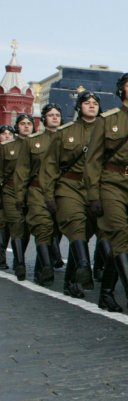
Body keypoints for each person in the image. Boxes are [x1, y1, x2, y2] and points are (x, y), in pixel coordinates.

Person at [84, 73, 128, 313]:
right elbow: (92, 160)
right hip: (111, 183)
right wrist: (93, 194)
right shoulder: (106, 119)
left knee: (122, 239)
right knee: (120, 233)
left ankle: (107, 294)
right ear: (121, 91)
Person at [40, 93, 102, 296]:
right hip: (69, 185)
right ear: (78, 107)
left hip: (96, 188)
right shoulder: (65, 132)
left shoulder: (107, 131)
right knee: (76, 224)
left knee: (86, 232)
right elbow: (49, 166)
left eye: (95, 103)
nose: (91, 106)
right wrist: (49, 196)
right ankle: (85, 266)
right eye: (87, 103)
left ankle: (70, 281)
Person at [12, 104, 62, 284]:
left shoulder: (67, 140)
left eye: (57, 115)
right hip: (37, 190)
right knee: (42, 227)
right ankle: (47, 267)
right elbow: (22, 170)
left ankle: (41, 269)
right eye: (50, 115)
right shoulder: (32, 141)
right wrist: (19, 196)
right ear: (44, 119)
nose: (54, 118)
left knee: (55, 230)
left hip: (61, 191)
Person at [1, 114, 35, 280]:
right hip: (10, 191)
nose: (26, 126)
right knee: (16, 223)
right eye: (22, 124)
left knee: (27, 228)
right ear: (17, 126)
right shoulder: (7, 147)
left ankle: (18, 257)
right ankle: (20, 263)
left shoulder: (38, 145)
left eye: (29, 123)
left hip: (31, 191)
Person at [0, 124, 14, 271]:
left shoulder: (16, 151)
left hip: (10, 191)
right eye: (4, 133)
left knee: (8, 224)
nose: (7, 136)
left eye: (10, 133)